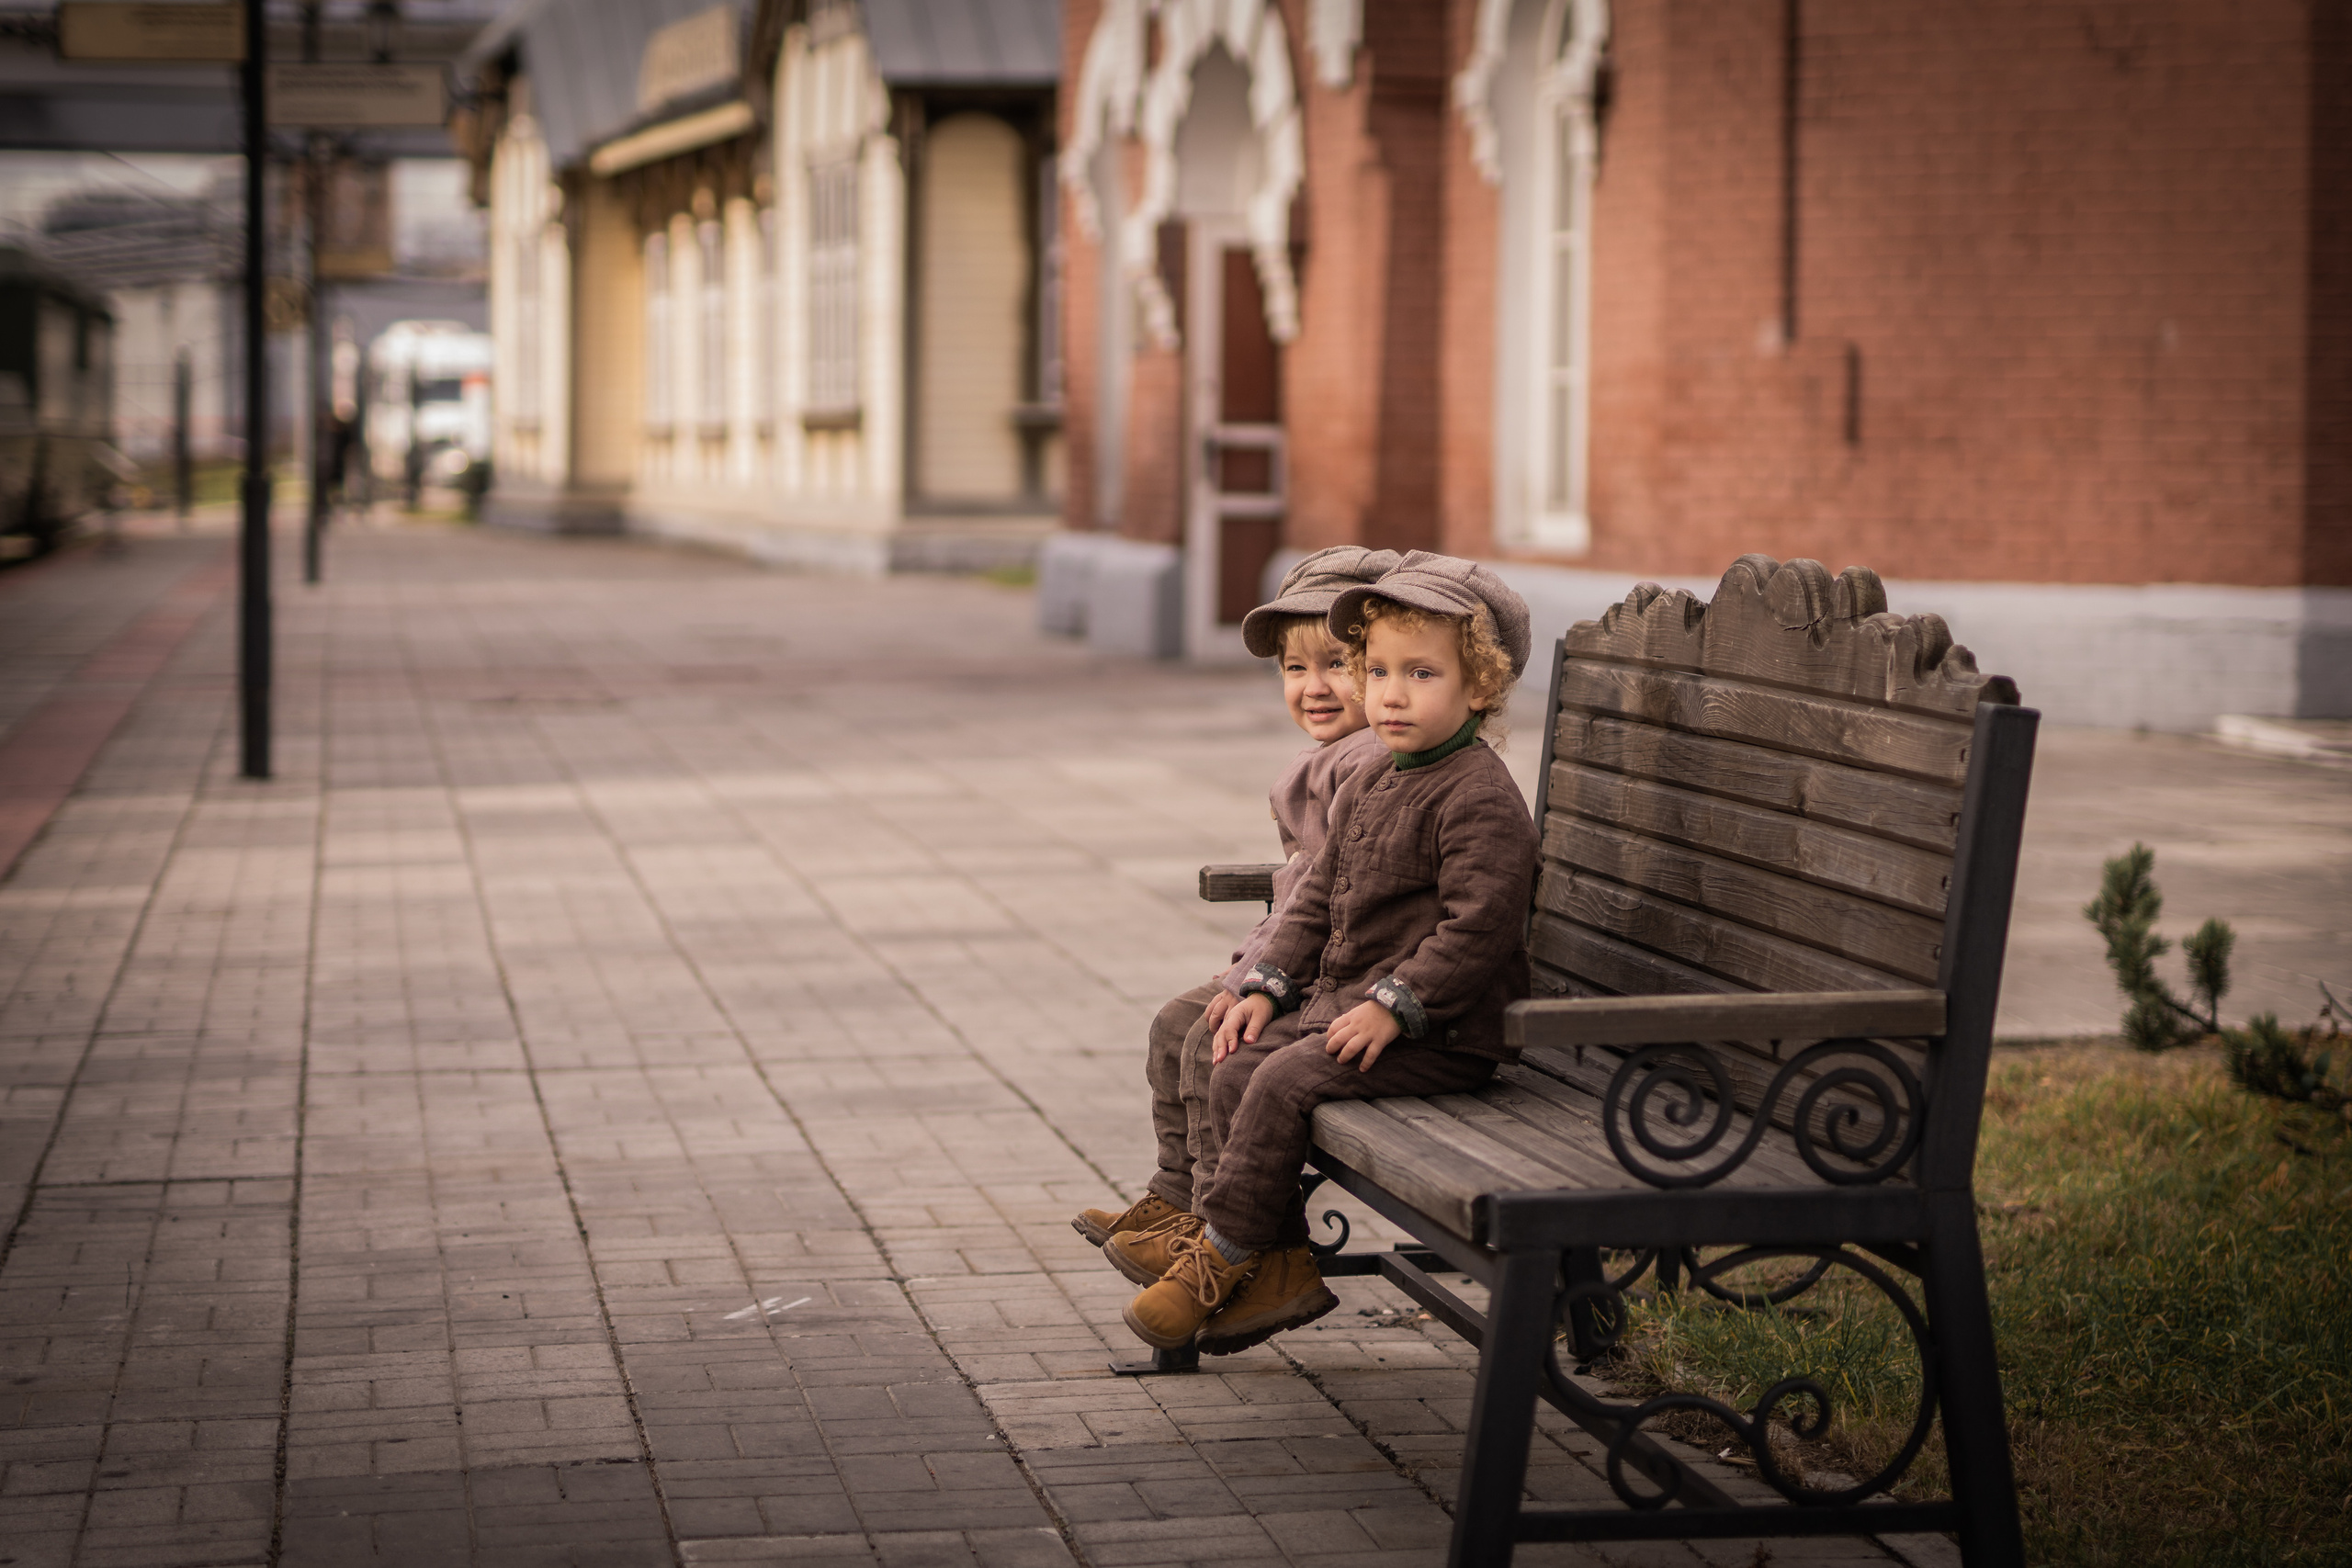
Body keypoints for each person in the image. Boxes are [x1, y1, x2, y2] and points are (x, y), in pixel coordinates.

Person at [1107, 552, 1538, 1352]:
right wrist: (1265, 986)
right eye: (1377, 672)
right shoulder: (1380, 779)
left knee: (1279, 1080)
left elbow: (1477, 927)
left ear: (1480, 687)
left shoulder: (1478, 795)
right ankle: (1277, 1261)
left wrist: (1395, 1007)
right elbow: (1312, 899)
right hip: (1355, 1007)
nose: (1391, 694)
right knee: (1232, 1061)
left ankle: (1219, 1258)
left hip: (1442, 1035)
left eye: (1421, 674)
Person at [1071, 547, 1396, 1343]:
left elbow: (1332, 901)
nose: (1312, 686)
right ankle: (1178, 1203)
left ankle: (1233, 1244)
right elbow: (1303, 886)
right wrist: (1249, 971)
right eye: (1294, 667)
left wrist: (1261, 980)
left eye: (1337, 665)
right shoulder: (1329, 760)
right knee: (1174, 1025)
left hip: (1340, 979)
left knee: (1212, 1045)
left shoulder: (1374, 764)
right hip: (1295, 965)